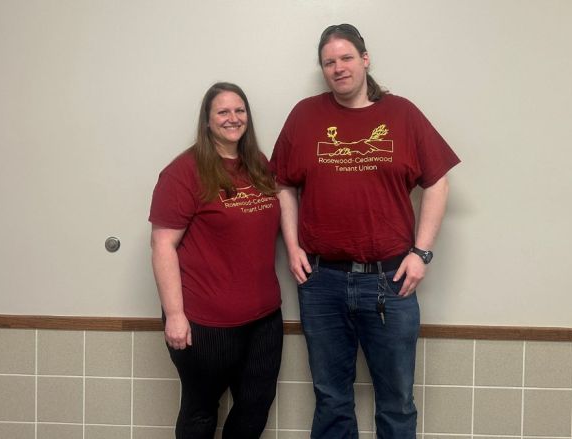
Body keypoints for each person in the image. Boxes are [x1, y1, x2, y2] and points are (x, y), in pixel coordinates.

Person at [270, 24, 460, 438]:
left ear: (365, 59)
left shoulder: (402, 114)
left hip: (389, 281)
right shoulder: (305, 116)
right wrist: (293, 245)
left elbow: (438, 181)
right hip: (321, 281)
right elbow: (282, 183)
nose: (338, 68)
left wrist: (422, 253)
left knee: (396, 401)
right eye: (329, 62)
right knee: (331, 398)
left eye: (346, 58)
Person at [149, 82, 282, 439]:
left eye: (239, 110)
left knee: (255, 407)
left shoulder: (258, 164)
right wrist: (174, 315)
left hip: (264, 319)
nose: (233, 118)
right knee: (201, 411)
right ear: (207, 121)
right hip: (205, 322)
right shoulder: (184, 171)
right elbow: (162, 245)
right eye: (222, 112)